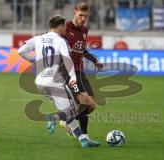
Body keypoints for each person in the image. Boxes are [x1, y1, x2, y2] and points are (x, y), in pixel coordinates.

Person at [18, 15, 100, 147]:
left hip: (40, 83)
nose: (65, 29)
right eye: (64, 27)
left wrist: (33, 61)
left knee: (67, 112)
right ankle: (53, 118)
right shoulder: (60, 41)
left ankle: (83, 140)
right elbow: (68, 60)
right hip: (55, 82)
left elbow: (21, 51)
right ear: (61, 26)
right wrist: (73, 78)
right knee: (78, 107)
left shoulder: (38, 38)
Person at [60, 0, 103, 143]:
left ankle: (68, 119)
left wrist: (93, 59)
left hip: (80, 71)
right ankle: (84, 137)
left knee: (92, 105)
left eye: (86, 16)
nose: (83, 18)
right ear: (74, 12)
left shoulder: (85, 30)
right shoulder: (65, 28)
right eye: (81, 15)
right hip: (68, 72)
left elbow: (81, 48)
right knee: (84, 102)